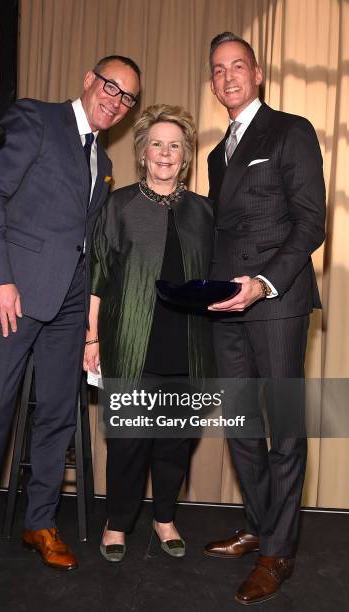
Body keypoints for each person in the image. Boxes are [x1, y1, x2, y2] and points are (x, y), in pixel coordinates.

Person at [0, 55, 141, 591]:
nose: (116, 101)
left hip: (70, 306)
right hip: (15, 296)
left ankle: (40, 523)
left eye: (127, 98)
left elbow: (87, 240)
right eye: (111, 87)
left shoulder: (101, 158)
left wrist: (92, 326)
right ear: (88, 80)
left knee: (56, 418)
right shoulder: (35, 119)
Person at [203, 32, 326, 605]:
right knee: (241, 426)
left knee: (283, 429)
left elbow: (309, 222)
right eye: (218, 70)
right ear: (213, 82)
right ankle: (258, 524)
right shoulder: (215, 152)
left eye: (237, 66)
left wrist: (263, 283)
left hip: (276, 300)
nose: (227, 76)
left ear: (257, 73)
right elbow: (223, 233)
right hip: (226, 305)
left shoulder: (291, 130)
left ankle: (278, 552)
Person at [83, 104, 216, 563]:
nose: (165, 153)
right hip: (130, 345)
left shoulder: (203, 211)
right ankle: (117, 523)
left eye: (175, 145)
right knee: (129, 443)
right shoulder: (118, 206)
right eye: (157, 144)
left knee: (175, 443)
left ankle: (164, 519)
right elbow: (98, 275)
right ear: (142, 153)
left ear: (186, 157)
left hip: (188, 347)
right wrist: (91, 339)